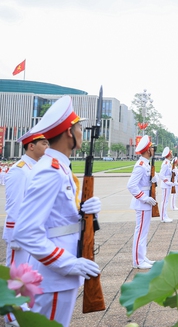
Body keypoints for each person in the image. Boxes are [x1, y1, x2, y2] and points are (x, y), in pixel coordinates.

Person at [13, 96, 102, 326]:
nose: (83, 132)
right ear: (70, 133)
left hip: (60, 273)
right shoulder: (50, 171)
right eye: (80, 127)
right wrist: (68, 264)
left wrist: (86, 212)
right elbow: (25, 232)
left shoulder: (59, 168)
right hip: (54, 274)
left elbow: (60, 217)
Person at [3, 131, 49, 326]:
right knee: (15, 275)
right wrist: (14, 236)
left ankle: (22, 308)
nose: (47, 147)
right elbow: (14, 205)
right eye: (44, 144)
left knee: (27, 273)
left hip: (32, 232)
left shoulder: (36, 168)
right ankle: (11, 315)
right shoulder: (20, 170)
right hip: (20, 234)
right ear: (31, 145)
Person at [126, 135, 158, 269]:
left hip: (147, 202)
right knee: (140, 232)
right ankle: (137, 261)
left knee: (144, 233)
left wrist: (154, 179)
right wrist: (145, 198)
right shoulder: (140, 166)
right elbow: (131, 185)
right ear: (147, 150)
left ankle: (142, 257)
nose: (153, 150)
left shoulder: (146, 164)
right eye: (151, 148)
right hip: (143, 202)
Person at [157, 147, 174, 222]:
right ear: (169, 154)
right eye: (171, 153)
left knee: (166, 201)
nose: (172, 154)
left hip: (168, 184)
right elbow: (161, 174)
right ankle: (163, 217)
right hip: (165, 184)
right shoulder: (166, 163)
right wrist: (167, 182)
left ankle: (165, 215)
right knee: (164, 201)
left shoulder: (168, 162)